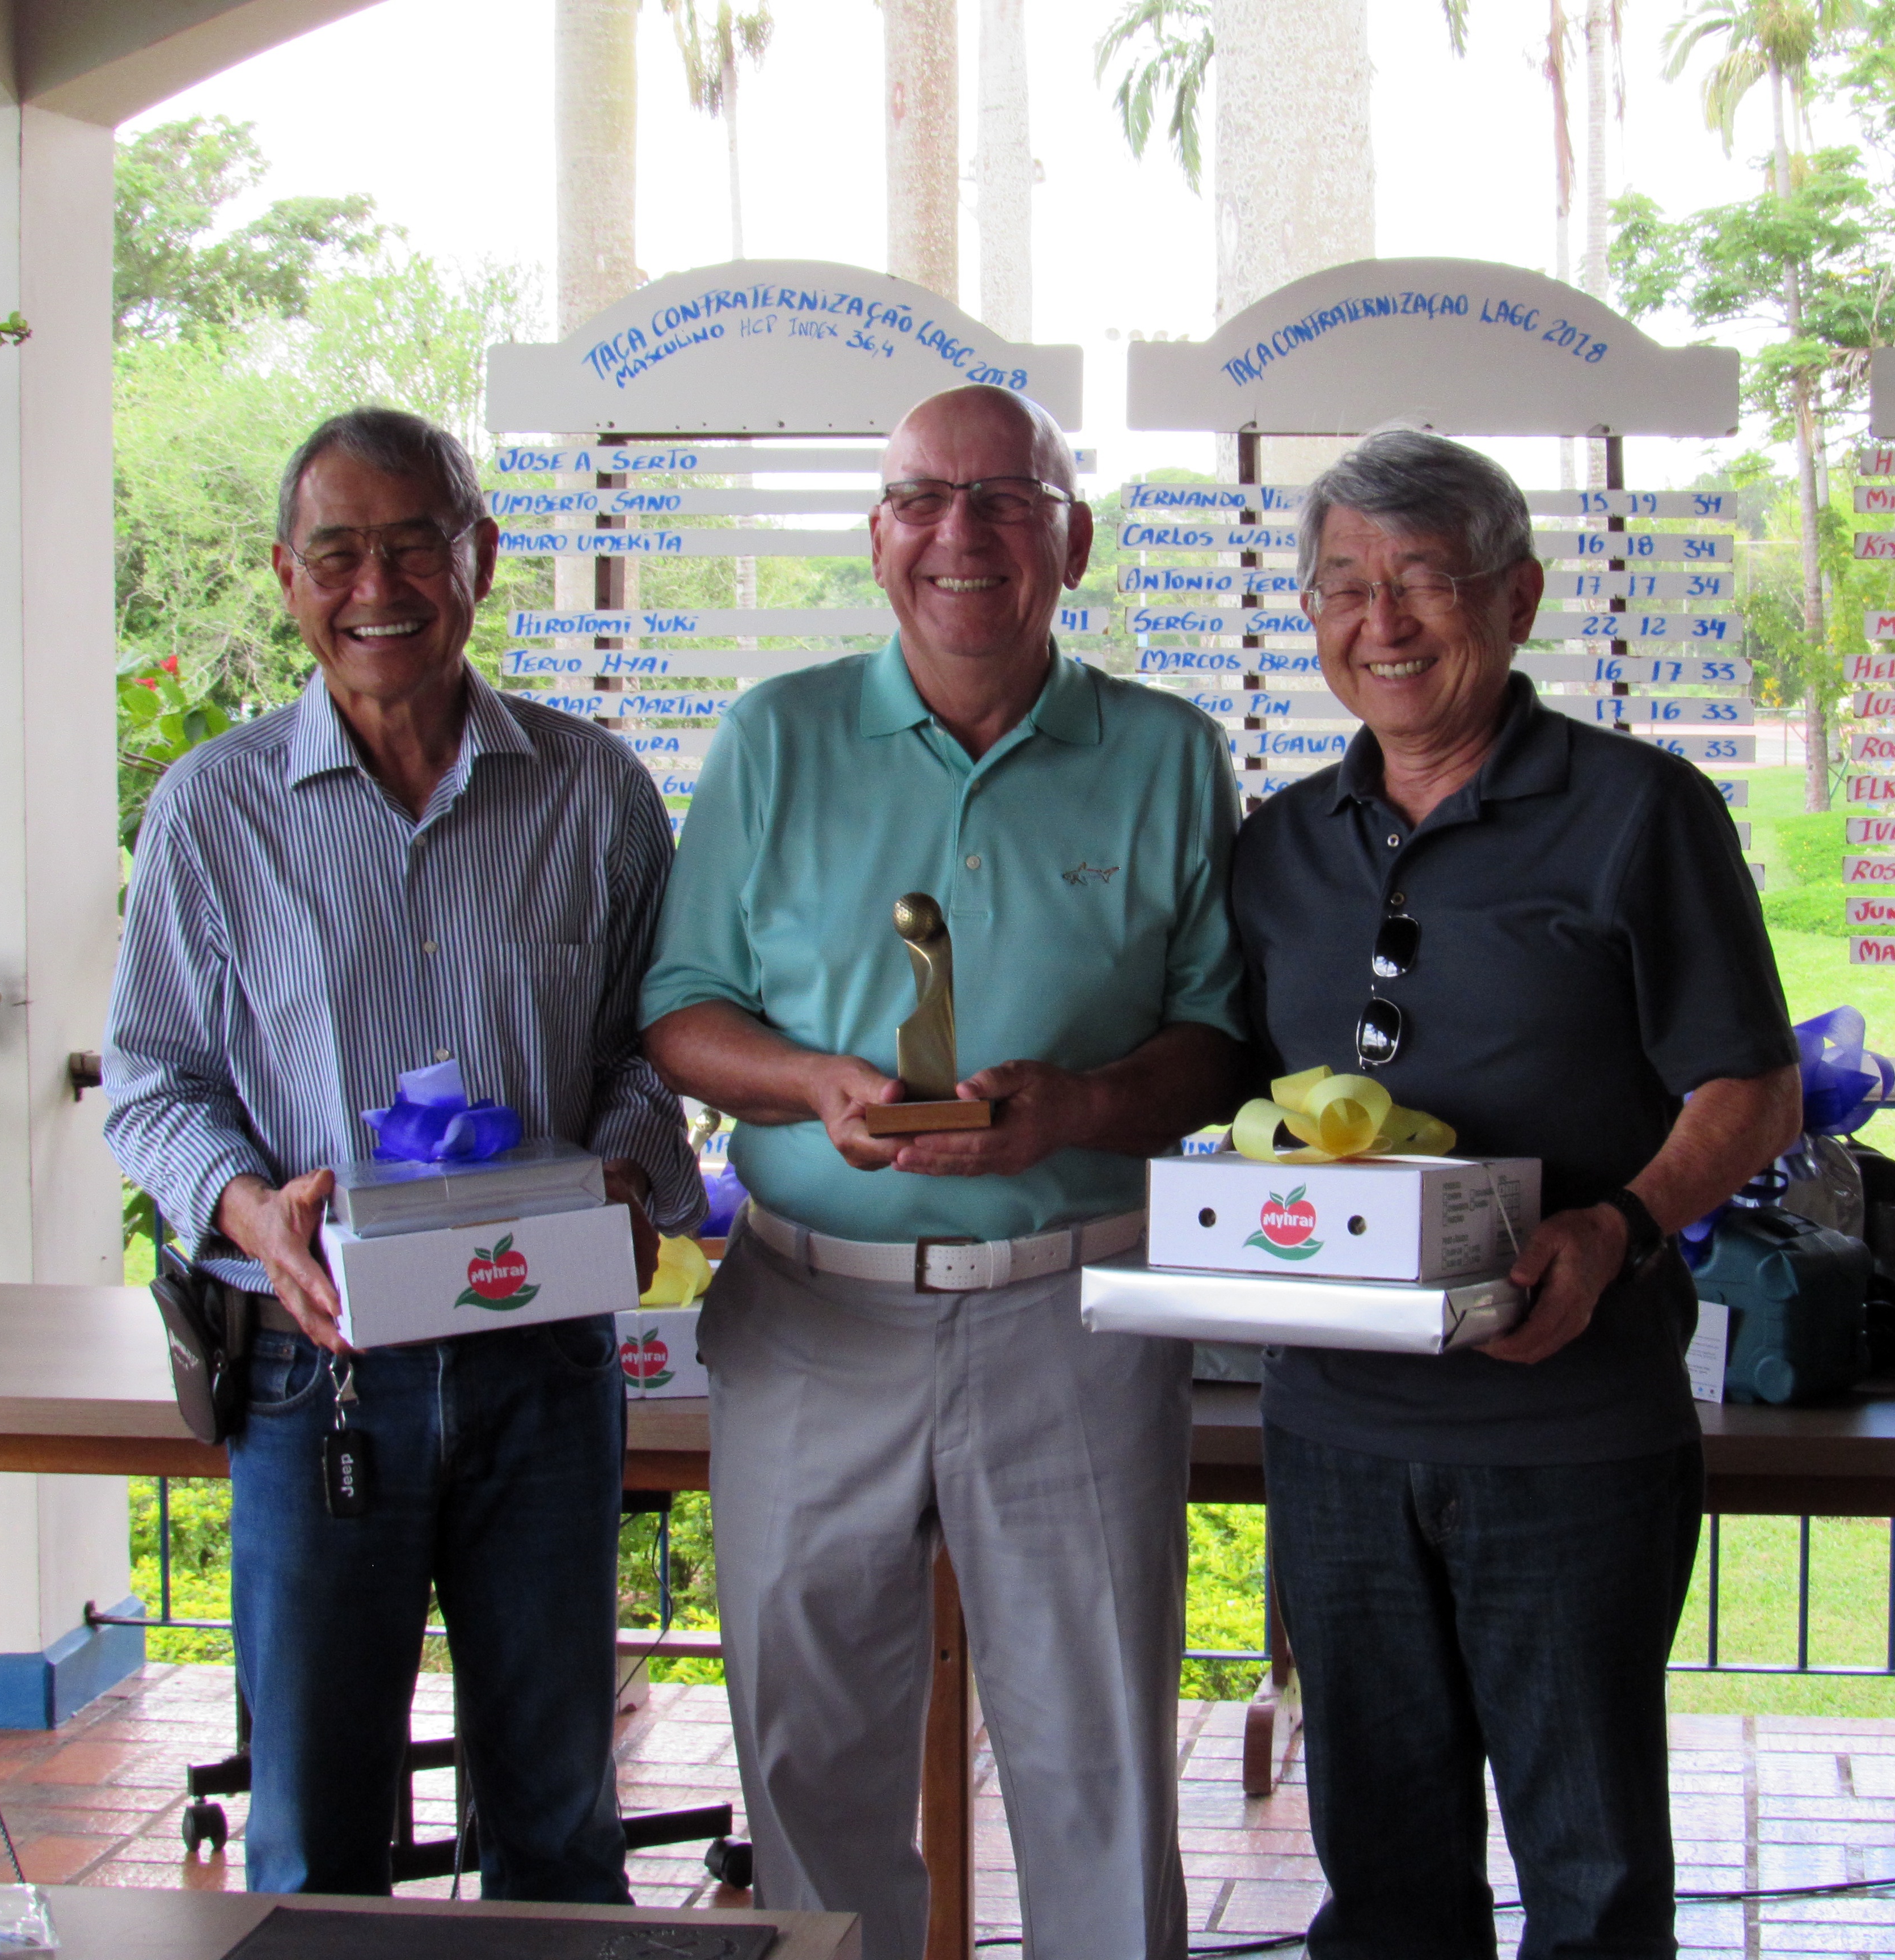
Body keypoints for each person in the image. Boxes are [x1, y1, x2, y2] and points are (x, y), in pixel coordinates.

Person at [639, 382, 1248, 1960]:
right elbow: (679, 1014)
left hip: (1078, 1317)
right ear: (877, 535)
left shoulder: (1173, 756)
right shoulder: (776, 739)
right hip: (809, 1320)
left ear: (1072, 536)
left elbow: (1219, 1045)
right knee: (806, 1753)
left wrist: (1084, 1105)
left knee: (1099, 1755)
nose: (959, 534)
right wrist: (810, 1083)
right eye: (922, 498)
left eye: (1005, 498)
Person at [103, 407, 703, 1899]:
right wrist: (247, 1207)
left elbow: (659, 1051)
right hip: (319, 1380)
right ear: (289, 578)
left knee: (559, 1815)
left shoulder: (596, 794)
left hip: (543, 1362)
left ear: (479, 556)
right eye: (338, 552)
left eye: (413, 544)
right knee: (311, 1829)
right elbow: (152, 1082)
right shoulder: (211, 812)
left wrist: (622, 1175)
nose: (378, 585)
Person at [1231, 427, 1801, 1959]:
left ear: (1522, 597)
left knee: (1593, 1867)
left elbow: (1753, 1086)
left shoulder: (1639, 812)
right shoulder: (1282, 843)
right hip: (1338, 1431)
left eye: (1427, 579)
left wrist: (1615, 1226)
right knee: (1385, 1867)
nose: (1384, 621)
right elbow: (1221, 1092)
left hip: (1569, 1432)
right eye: (1344, 585)